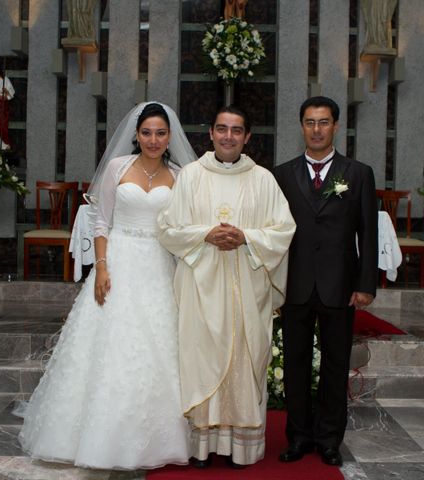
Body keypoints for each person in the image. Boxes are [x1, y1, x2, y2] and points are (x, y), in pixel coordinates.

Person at [18, 102, 197, 470]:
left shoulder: (181, 175)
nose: (153, 139)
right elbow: (102, 222)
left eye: (160, 133)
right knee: (111, 345)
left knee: (158, 349)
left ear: (170, 137)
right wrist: (100, 268)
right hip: (119, 262)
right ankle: (94, 438)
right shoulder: (118, 168)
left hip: (160, 266)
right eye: (146, 132)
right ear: (135, 135)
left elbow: (183, 227)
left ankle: (156, 440)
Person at [158, 106, 296, 468]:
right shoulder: (190, 176)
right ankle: (200, 446)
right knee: (200, 358)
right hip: (200, 287)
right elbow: (167, 229)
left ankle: (240, 447)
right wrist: (206, 234)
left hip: (246, 289)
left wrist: (246, 237)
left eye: (237, 130)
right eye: (222, 129)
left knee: (243, 361)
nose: (229, 136)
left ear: (247, 136)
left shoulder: (263, 179)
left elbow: (284, 229)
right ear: (211, 133)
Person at [273, 96, 378, 467]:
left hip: (340, 286)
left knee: (335, 365)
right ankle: (299, 436)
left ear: (335, 126)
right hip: (296, 285)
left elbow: (368, 232)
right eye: (309, 122)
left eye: (323, 122)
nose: (316, 129)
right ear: (301, 126)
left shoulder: (358, 173)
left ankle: (330, 438)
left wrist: (365, 284)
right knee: (295, 365)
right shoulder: (282, 174)